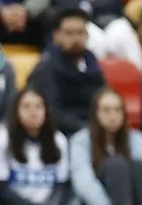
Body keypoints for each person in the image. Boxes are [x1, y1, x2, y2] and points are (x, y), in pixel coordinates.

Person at [70, 88, 142, 205]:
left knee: (138, 165)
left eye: (117, 110)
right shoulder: (81, 141)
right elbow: (83, 183)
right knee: (116, 163)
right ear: (96, 113)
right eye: (106, 110)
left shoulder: (136, 138)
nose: (112, 116)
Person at [0, 88, 91, 205]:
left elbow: (62, 186)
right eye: (27, 106)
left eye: (38, 106)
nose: (33, 112)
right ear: (16, 111)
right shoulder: (3, 138)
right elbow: (3, 191)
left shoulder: (58, 140)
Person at [27, 8, 107, 137]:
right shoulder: (46, 68)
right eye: (69, 33)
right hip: (60, 135)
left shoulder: (92, 64)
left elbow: (103, 99)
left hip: (94, 131)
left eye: (80, 33)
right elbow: (53, 112)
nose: (76, 39)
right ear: (56, 36)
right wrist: (85, 128)